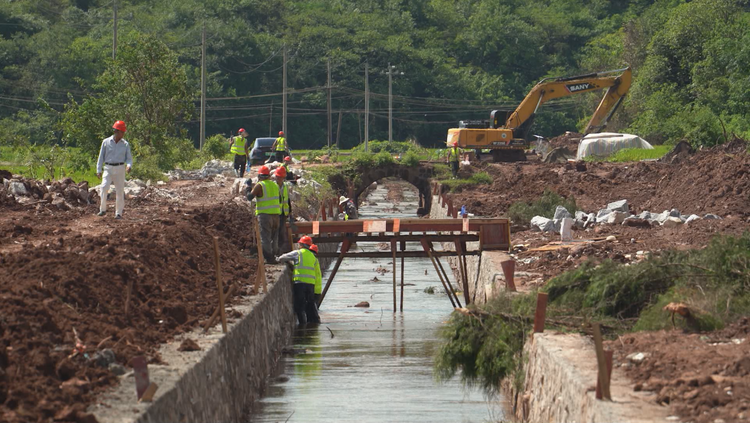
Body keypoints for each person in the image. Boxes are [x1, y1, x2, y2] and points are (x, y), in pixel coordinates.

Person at [277, 236, 318, 326]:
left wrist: (278, 259)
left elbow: (282, 258)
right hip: (311, 284)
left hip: (300, 282)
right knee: (310, 304)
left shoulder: (298, 253)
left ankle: (302, 325)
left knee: (300, 306)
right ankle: (313, 324)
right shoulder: (313, 256)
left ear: (302, 244)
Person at [96, 120, 133, 219]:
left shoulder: (125, 144)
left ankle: (118, 213)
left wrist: (129, 165)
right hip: (108, 168)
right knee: (104, 187)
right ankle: (102, 210)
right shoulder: (106, 142)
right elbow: (101, 157)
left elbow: (129, 158)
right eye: (122, 132)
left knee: (120, 191)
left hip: (120, 168)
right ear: (116, 131)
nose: (123, 134)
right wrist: (98, 170)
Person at [245, 166, 280, 263]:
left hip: (265, 215)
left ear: (259, 176)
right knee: (274, 238)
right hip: (276, 215)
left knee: (265, 237)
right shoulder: (275, 185)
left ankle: (269, 258)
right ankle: (274, 255)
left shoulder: (260, 185)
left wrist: (248, 187)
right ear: (268, 176)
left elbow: (249, 197)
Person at [275, 166, 293, 253]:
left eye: (280, 177)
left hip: (283, 212)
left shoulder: (285, 186)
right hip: (275, 212)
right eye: (277, 177)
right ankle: (276, 249)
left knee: (282, 231)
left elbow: (287, 199)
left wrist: (289, 211)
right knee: (276, 231)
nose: (278, 178)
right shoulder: (273, 186)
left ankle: (281, 249)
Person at [305, 244, 322, 324]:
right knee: (312, 307)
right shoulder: (315, 260)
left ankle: (314, 322)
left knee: (311, 307)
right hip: (317, 289)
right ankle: (314, 322)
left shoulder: (311, 259)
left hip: (313, 288)